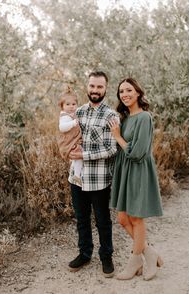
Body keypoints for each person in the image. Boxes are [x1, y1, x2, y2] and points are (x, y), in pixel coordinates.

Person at [109, 78, 163, 281]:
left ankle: (134, 261)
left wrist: (117, 137)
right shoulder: (124, 118)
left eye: (129, 90)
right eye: (121, 91)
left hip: (139, 170)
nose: (124, 94)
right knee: (123, 219)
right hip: (125, 170)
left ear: (138, 93)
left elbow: (138, 152)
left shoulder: (144, 117)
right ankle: (149, 254)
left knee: (136, 218)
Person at [68, 71, 119, 278]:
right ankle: (85, 253)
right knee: (81, 219)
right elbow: (68, 137)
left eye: (99, 87)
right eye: (92, 86)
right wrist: (68, 150)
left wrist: (84, 155)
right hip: (77, 177)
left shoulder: (111, 116)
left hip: (99, 178)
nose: (95, 90)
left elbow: (111, 149)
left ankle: (106, 256)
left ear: (106, 88)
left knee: (102, 220)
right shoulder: (78, 112)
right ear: (87, 86)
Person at [57, 89, 83, 184]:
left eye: (73, 104)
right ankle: (76, 175)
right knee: (79, 155)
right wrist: (73, 123)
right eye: (68, 104)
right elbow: (62, 128)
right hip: (68, 142)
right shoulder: (64, 116)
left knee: (79, 156)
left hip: (73, 141)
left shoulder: (73, 114)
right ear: (62, 106)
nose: (71, 106)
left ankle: (77, 174)